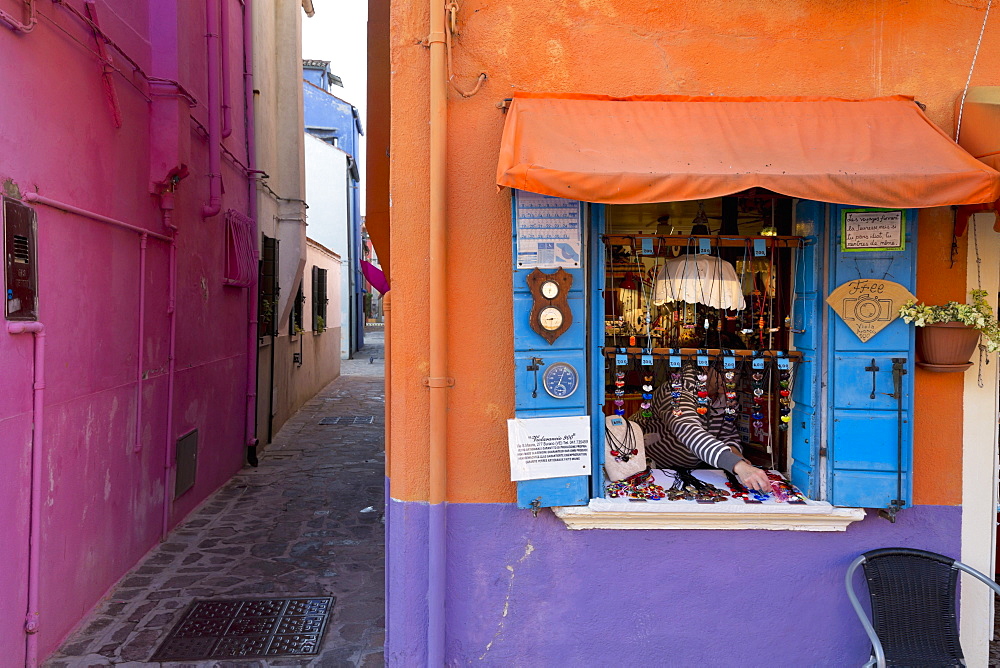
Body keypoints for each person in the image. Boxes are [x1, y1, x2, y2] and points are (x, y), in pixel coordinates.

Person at [632, 366, 772, 493]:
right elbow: (689, 431)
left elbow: (727, 434)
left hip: (687, 473)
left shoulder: (725, 396)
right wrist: (736, 465)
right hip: (647, 469)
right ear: (706, 368)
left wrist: (738, 457)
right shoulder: (677, 391)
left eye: (737, 374)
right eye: (727, 373)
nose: (732, 379)